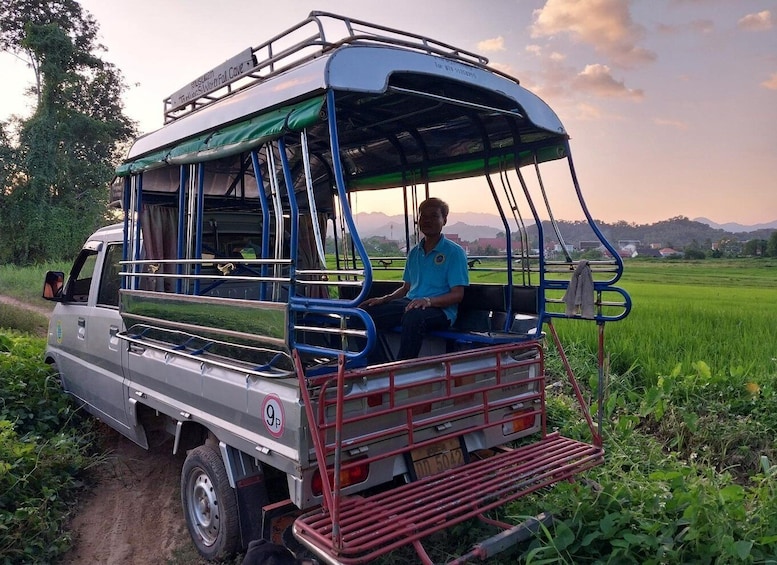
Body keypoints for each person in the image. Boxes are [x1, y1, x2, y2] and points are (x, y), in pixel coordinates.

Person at [361, 197, 469, 360]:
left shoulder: (454, 252)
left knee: (414, 317)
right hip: (411, 303)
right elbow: (406, 288)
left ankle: (402, 369)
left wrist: (428, 301)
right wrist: (385, 299)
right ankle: (379, 365)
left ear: (444, 220)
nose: (427, 220)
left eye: (434, 216)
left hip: (440, 310)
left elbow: (457, 295)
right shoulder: (414, 252)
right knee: (364, 314)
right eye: (423, 216)